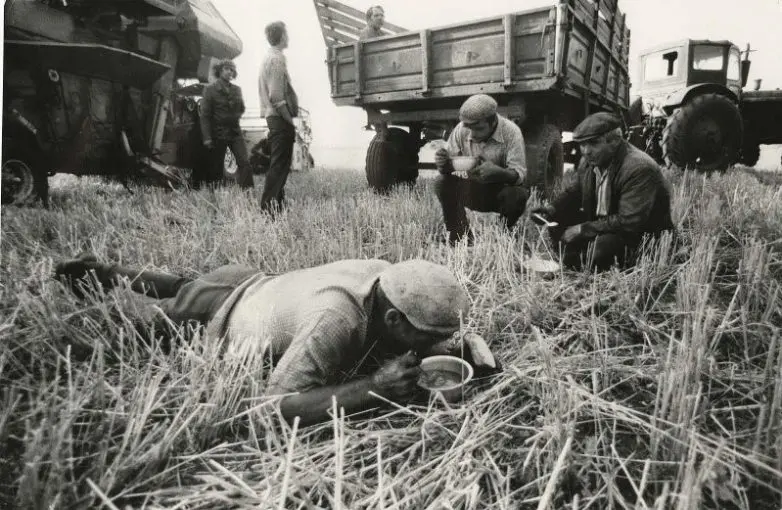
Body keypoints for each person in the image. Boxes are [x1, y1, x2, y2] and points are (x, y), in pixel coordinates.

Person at [54, 255, 499, 426]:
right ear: (392, 318)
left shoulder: (386, 274)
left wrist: (455, 353)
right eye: (428, 337)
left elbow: (404, 337)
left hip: (249, 282)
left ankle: (109, 271)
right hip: (221, 315)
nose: (433, 345)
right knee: (125, 337)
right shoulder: (336, 318)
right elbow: (271, 407)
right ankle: (96, 280)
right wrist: (374, 389)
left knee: (184, 283)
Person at [530, 112, 674, 271]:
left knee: (600, 252)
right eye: (582, 144)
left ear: (615, 141)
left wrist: (582, 229)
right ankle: (574, 259)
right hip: (604, 224)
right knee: (555, 222)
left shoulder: (639, 168)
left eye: (593, 143)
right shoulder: (589, 160)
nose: (586, 151)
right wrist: (551, 209)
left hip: (637, 234)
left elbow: (629, 222)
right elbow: (574, 192)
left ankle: (579, 260)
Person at [434, 94, 529, 245]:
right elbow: (448, 168)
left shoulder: (511, 132)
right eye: (468, 128)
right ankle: (460, 237)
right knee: (442, 182)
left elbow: (519, 176)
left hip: (499, 194)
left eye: (478, 128)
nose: (472, 134)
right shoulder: (462, 129)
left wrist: (499, 172)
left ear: (493, 122)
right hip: (472, 191)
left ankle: (506, 236)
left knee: (517, 194)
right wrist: (443, 164)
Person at [258, 21, 299, 216]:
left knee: (279, 164)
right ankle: (268, 209)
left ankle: (277, 206)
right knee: (279, 165)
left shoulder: (269, 58)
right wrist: (290, 122)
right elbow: (276, 97)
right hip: (279, 118)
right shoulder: (276, 59)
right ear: (282, 36)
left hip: (273, 118)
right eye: (287, 34)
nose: (289, 38)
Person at [198, 59, 254, 189]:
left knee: (244, 163)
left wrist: (232, 117)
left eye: (232, 70)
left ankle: (248, 194)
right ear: (220, 71)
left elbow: (242, 108)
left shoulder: (237, 90)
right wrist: (207, 137)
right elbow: (205, 116)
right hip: (218, 133)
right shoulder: (210, 90)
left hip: (235, 132)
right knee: (216, 168)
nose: (230, 72)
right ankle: (215, 195)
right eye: (227, 69)